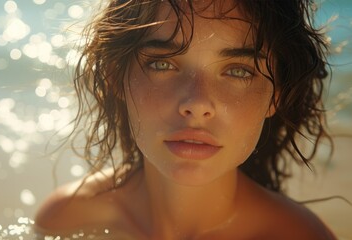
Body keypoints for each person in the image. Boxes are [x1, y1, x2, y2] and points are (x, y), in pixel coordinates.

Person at [34, 0, 337, 239]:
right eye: (163, 64)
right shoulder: (67, 220)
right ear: (116, 78)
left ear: (276, 96)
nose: (196, 104)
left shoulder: (302, 236)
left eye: (237, 71)